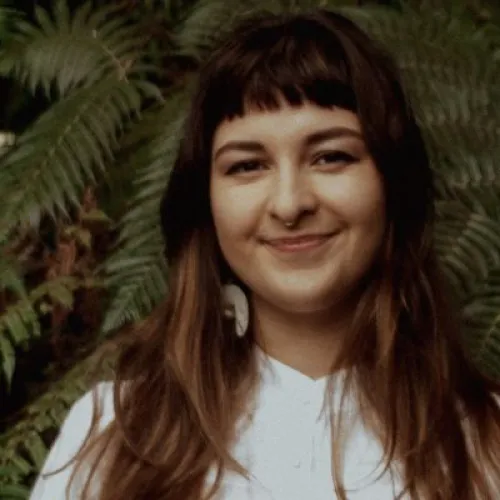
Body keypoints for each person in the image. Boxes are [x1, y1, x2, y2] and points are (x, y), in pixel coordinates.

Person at [30, 8, 500, 500]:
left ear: (393, 184)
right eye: (248, 166)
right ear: (205, 202)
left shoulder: (486, 445)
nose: (290, 203)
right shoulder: (112, 437)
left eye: (331, 157)